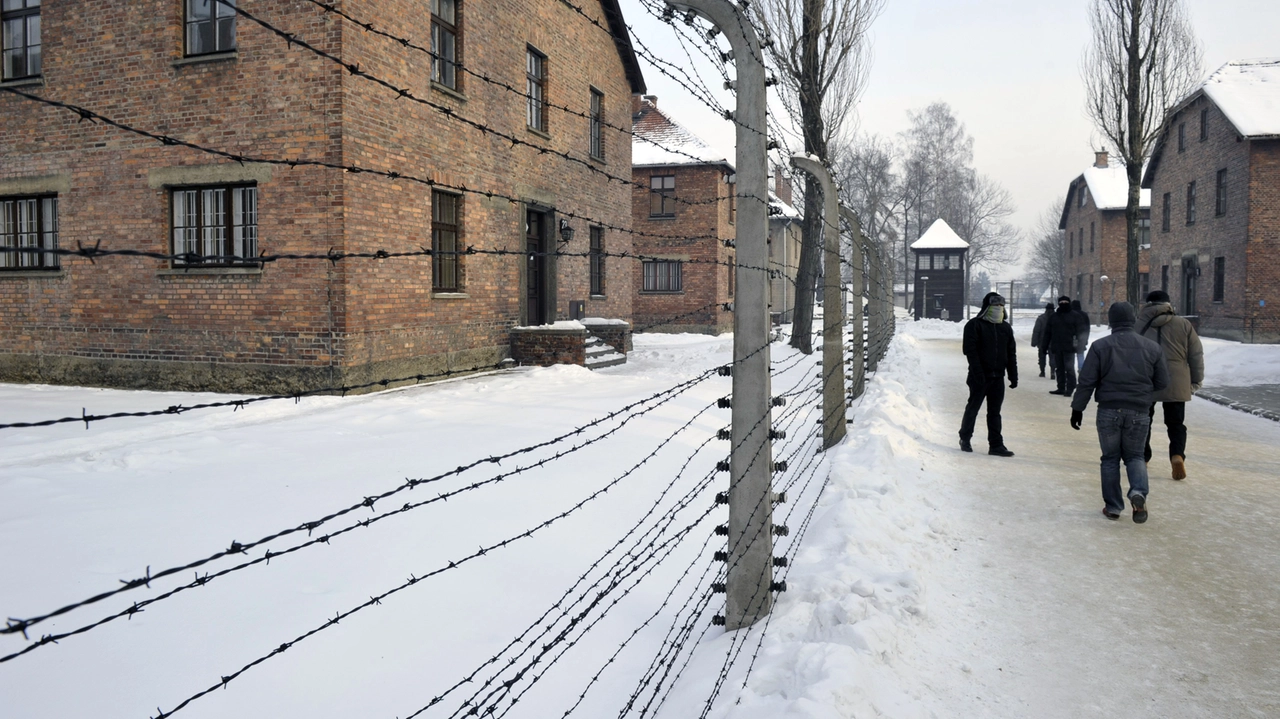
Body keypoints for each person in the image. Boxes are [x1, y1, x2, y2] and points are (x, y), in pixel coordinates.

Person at [1070, 302, 1169, 523]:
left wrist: (1078, 408)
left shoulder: (1100, 347)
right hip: (1139, 411)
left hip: (1108, 410)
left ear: (1111, 321)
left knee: (1110, 459)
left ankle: (1113, 506)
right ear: (1133, 319)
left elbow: (1087, 381)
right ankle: (1138, 493)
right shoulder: (1152, 347)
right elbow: (1163, 381)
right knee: (1135, 456)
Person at [1137, 290, 1204, 480]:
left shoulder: (1139, 324)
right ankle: (1177, 455)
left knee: (1144, 421)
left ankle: (1143, 457)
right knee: (1176, 423)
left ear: (1147, 304)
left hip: (1146, 380)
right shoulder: (1183, 324)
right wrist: (1196, 379)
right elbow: (1196, 354)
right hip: (1176, 379)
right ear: (1168, 304)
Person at [959, 292, 1018, 456]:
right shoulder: (974, 325)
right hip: (979, 377)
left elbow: (1011, 353)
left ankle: (996, 445)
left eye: (1001, 305)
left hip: (998, 377)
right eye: (995, 305)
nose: (998, 308)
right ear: (987, 306)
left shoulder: (1005, 328)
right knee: (973, 408)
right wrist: (978, 372)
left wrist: (1013, 375)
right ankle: (965, 437)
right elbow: (970, 351)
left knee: (995, 412)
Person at [1044, 296, 1080, 395]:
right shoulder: (1054, 317)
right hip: (1057, 347)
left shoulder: (1074, 316)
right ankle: (1061, 387)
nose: (1063, 303)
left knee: (1069, 368)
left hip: (1069, 348)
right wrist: (1044, 346)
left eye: (1065, 301)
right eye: (1061, 302)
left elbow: (1079, 333)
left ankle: (1070, 387)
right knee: (1059, 368)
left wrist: (1077, 346)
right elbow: (1048, 332)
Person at [1031, 302, 1054, 378]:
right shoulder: (1056, 318)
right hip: (1053, 341)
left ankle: (1042, 371)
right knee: (1053, 357)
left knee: (1041, 357)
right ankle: (1053, 372)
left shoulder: (1041, 318)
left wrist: (1034, 341)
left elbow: (1036, 331)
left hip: (1042, 341)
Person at [1071, 299, 1091, 370]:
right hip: (1081, 338)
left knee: (1071, 354)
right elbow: (1087, 328)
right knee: (1080, 354)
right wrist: (1086, 339)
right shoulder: (1084, 315)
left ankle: (1070, 369)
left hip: (1071, 337)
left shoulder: (1070, 314)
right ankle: (1081, 369)